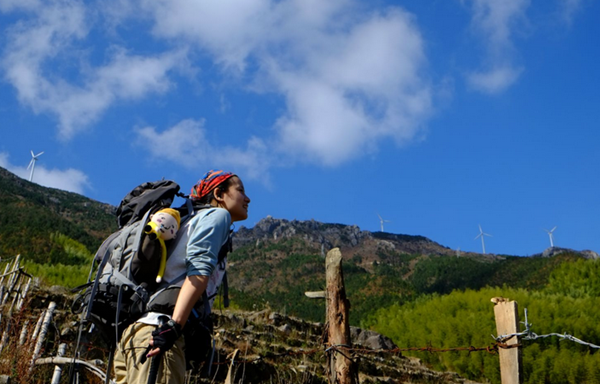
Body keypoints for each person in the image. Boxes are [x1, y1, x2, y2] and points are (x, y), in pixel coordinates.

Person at [113, 170, 251, 384]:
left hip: (134, 336)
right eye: (240, 190)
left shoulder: (185, 222)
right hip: (159, 335)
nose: (247, 198)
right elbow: (199, 270)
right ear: (219, 194)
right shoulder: (217, 216)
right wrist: (174, 326)